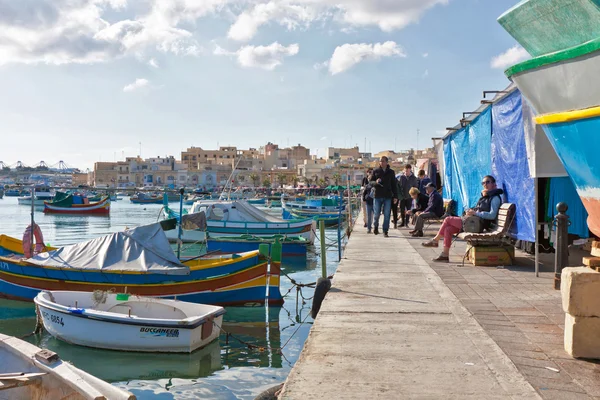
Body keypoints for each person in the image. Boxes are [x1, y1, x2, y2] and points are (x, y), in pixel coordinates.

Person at [421, 175, 504, 262]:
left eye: (488, 182)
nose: (485, 184)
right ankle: (445, 255)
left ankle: (435, 240)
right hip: (473, 222)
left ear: (494, 184)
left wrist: (476, 213)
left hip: (478, 224)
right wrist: (471, 211)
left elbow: (492, 215)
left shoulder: (495, 198)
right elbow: (479, 209)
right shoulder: (486, 196)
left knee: (448, 219)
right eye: (483, 183)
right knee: (448, 230)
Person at [370, 156, 398, 237]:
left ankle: (385, 231)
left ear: (386, 162)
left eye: (383, 161)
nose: (381, 162)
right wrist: (375, 182)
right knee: (376, 214)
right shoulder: (376, 171)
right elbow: (370, 182)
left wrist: (395, 196)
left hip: (387, 196)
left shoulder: (391, 172)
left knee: (387, 214)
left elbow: (394, 185)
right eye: (380, 161)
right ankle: (375, 227)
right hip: (377, 195)